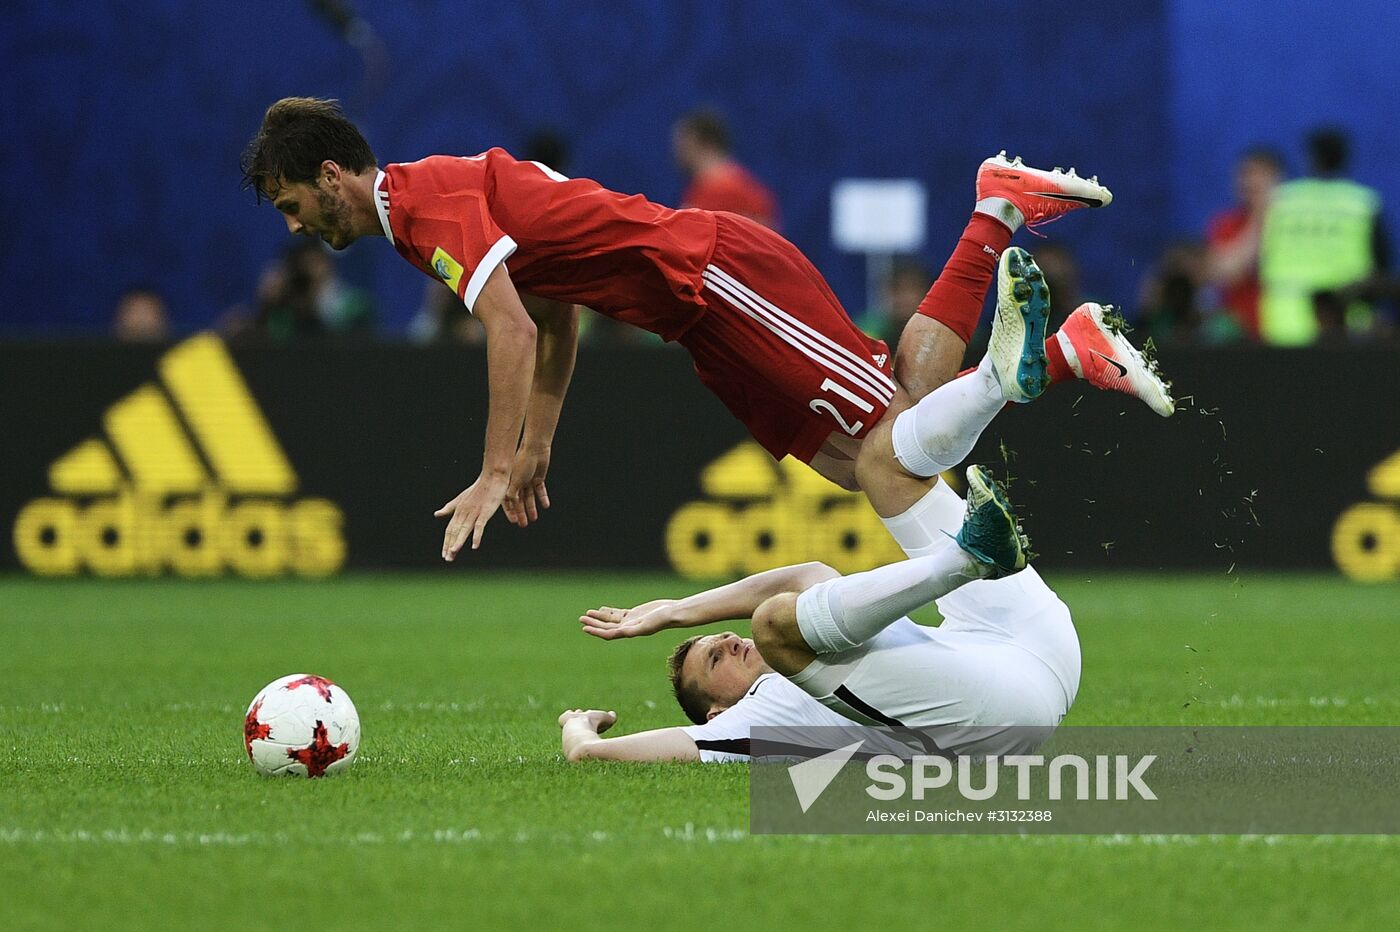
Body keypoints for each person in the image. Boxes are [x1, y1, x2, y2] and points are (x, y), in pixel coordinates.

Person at [241, 98, 1170, 565]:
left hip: (714, 277)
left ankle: (1040, 315)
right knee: (862, 462)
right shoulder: (421, 209)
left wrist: (492, 471)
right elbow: (557, 312)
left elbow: (513, 333)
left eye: (291, 203)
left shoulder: (423, 208)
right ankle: (1003, 229)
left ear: (332, 175)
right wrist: (536, 447)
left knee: (896, 428)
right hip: (698, 323)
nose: (293, 227)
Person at [558, 462, 1076, 762]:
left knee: (884, 464)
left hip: (1039, 646)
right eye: (718, 661)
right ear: (718, 711)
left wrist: (674, 611)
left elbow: (806, 572)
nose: (732, 642)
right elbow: (589, 755)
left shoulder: (822, 629)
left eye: (722, 637)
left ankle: (1034, 366)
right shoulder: (754, 721)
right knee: (773, 622)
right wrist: (578, 724)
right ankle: (963, 559)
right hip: (996, 716)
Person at [1259, 127, 1388, 345]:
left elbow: (1263, 253)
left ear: (1309, 157)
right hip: (1348, 318)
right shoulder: (1363, 203)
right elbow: (1381, 263)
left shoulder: (1282, 200)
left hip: (1285, 318)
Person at [1204, 147, 1283, 340]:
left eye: (1260, 175)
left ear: (1278, 180)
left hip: (1287, 331)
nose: (1250, 182)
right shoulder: (1226, 224)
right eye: (1245, 174)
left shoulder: (1294, 225)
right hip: (1241, 334)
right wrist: (1259, 219)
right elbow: (1227, 273)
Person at [672, 109, 778, 229]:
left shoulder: (715, 190)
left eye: (682, 143)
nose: (677, 151)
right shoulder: (749, 186)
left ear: (701, 142)